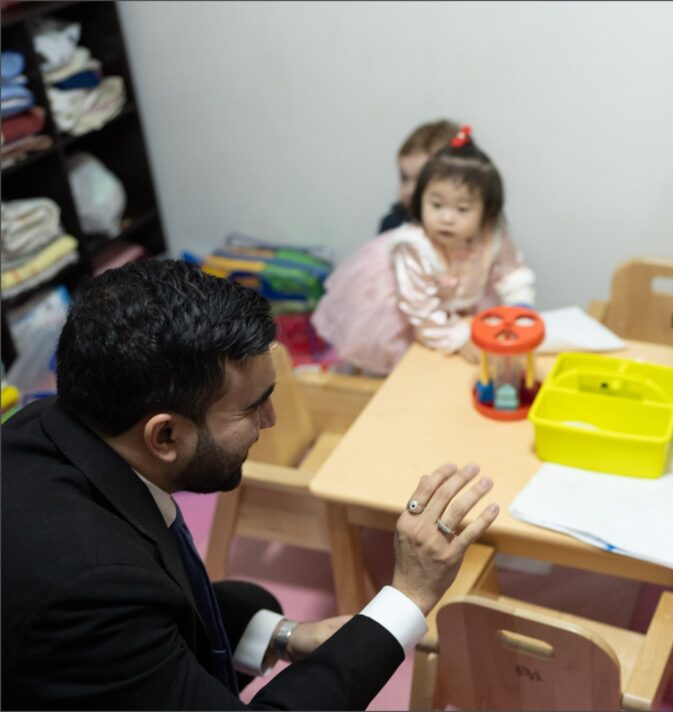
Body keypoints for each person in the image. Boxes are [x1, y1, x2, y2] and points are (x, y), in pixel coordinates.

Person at [0, 259, 500, 709]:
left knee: (254, 603)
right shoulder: (90, 587)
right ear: (166, 434)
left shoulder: (56, 421)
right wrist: (409, 595)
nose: (271, 418)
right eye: (251, 406)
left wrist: (284, 636)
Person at [312, 125, 535, 375]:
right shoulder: (412, 243)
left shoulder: (491, 234)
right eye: (437, 202)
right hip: (408, 301)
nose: (447, 218)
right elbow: (418, 305)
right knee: (409, 360)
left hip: (459, 298)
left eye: (462, 207)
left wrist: (519, 302)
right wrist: (456, 337)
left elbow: (509, 269)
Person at [378, 118, 461, 234]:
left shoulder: (463, 226)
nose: (409, 190)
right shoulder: (393, 225)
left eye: (421, 180)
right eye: (404, 178)